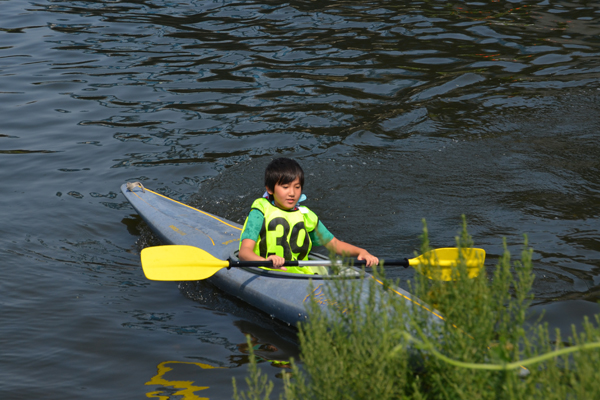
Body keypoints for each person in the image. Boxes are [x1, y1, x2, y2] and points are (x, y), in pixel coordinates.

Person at [238, 157, 379, 273]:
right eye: (285, 187)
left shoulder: (306, 215)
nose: (292, 193)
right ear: (269, 189)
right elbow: (244, 253)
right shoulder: (260, 211)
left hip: (299, 275)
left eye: (297, 187)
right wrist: (266, 262)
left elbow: (334, 245)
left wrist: (362, 252)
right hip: (264, 270)